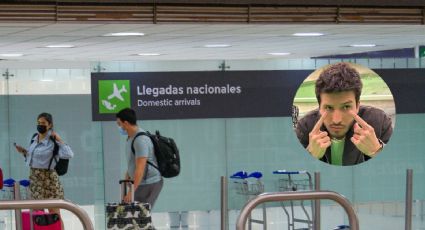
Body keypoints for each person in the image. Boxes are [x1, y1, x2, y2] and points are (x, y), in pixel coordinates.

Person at [295, 62, 393, 166]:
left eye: (346, 107)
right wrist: (310, 155)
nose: (337, 120)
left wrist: (377, 150)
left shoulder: (380, 122)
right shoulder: (305, 127)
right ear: (319, 107)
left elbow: (397, 165)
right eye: (328, 108)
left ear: (357, 106)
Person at [15, 112, 74, 229]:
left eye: (43, 123)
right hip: (35, 179)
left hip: (49, 180)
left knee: (54, 213)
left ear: (50, 125)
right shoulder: (34, 138)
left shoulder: (53, 139)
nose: (40, 125)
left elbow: (69, 154)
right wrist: (24, 152)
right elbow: (33, 158)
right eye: (38, 123)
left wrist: (60, 140)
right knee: (38, 214)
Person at [116, 108, 163, 207]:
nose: (119, 127)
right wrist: (127, 178)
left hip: (148, 182)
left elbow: (140, 168)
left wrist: (131, 192)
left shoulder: (140, 140)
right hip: (141, 183)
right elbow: (132, 162)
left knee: (139, 215)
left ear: (126, 123)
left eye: (119, 124)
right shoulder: (130, 138)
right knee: (138, 216)